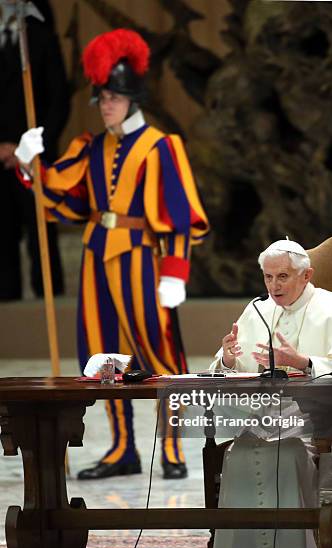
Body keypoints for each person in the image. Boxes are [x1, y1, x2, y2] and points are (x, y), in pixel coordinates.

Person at [15, 28, 209, 480]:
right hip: (95, 258)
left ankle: (174, 450)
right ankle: (123, 449)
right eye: (101, 97)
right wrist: (31, 164)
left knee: (160, 354)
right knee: (104, 358)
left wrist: (176, 272)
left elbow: (179, 214)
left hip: (143, 258)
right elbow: (62, 191)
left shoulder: (161, 146)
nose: (106, 105)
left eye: (114, 97)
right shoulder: (91, 146)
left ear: (132, 98)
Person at [209, 238, 332, 548]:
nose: (274, 286)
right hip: (262, 415)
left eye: (283, 277)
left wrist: (303, 362)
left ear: (306, 275)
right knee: (240, 453)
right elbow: (230, 366)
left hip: (315, 416)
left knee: (286, 454)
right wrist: (228, 356)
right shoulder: (257, 310)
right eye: (268, 277)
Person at [0, 0, 68, 300]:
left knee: (42, 236)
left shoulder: (41, 38)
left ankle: (48, 311)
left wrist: (29, 148)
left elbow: (59, 101)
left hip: (35, 159)